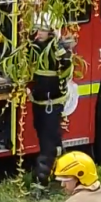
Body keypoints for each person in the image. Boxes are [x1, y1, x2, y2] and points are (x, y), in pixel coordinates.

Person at [28, 12, 73, 189]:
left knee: (49, 142)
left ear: (51, 32)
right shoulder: (34, 47)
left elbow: (66, 71)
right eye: (36, 29)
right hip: (39, 102)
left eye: (42, 30)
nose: (38, 33)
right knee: (51, 140)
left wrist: (63, 51)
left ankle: (42, 182)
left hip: (52, 104)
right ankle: (63, 174)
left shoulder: (58, 50)